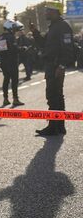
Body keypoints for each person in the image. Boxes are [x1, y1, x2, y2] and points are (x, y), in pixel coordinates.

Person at [36, 7, 74, 136]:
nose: (46, 13)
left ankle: (54, 127)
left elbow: (68, 48)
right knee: (56, 95)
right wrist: (35, 32)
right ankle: (59, 126)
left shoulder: (63, 26)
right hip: (51, 65)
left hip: (56, 66)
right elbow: (44, 44)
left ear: (56, 12)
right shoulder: (53, 26)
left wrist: (62, 66)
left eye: (49, 11)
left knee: (53, 96)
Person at [0, 20, 24, 107]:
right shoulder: (11, 37)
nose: (15, 30)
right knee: (14, 80)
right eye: (13, 28)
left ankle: (5, 99)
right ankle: (15, 99)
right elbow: (14, 49)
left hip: (4, 62)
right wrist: (22, 49)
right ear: (9, 28)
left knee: (6, 79)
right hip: (12, 62)